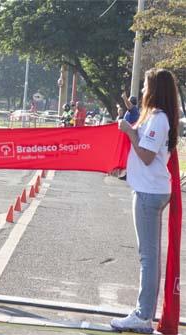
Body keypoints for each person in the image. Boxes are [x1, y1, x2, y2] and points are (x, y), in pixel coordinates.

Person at [110, 69, 180, 333]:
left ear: (155, 90)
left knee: (148, 257)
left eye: (146, 86)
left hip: (150, 192)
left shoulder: (159, 119)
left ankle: (142, 315)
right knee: (148, 255)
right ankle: (143, 313)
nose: (142, 91)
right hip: (150, 189)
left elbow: (147, 156)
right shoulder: (156, 117)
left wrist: (129, 132)